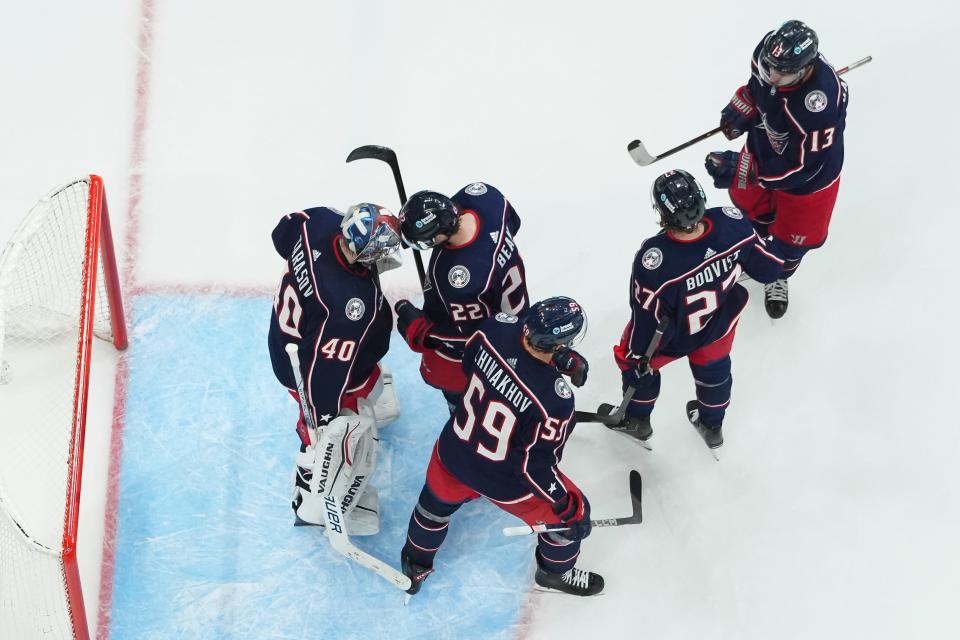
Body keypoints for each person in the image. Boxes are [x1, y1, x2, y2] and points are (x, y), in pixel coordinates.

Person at [399, 297, 601, 597]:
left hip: (454, 452)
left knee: (432, 511)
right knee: (565, 524)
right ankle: (554, 574)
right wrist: (568, 506)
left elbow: (470, 367)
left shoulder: (493, 328)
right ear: (558, 345)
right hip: (501, 478)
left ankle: (415, 566)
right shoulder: (556, 401)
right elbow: (537, 469)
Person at [611, 170, 784, 450]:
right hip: (718, 323)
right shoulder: (732, 224)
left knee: (637, 364)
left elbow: (644, 319)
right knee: (714, 372)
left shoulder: (655, 260)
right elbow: (769, 269)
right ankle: (712, 426)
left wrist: (636, 359)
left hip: (675, 336)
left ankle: (636, 420)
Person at [267, 202, 403, 535]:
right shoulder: (345, 306)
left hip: (293, 336)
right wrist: (326, 419)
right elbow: (323, 375)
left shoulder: (318, 221)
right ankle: (311, 503)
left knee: (362, 388)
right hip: (309, 366)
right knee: (336, 437)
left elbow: (282, 232)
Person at [704, 19, 848, 318]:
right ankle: (754, 246)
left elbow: (804, 166)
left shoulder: (818, 105)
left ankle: (777, 273)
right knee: (751, 204)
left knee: (792, 240)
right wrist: (744, 102)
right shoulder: (768, 53)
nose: (772, 75)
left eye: (782, 73)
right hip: (765, 144)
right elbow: (757, 85)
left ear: (805, 68)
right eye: (769, 67)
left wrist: (750, 170)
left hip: (809, 183)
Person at [392, 183, 532, 410]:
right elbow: (514, 223)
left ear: (438, 235)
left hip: (501, 343)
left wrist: (425, 331)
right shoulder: (485, 197)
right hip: (519, 313)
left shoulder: (454, 278)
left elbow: (476, 335)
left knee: (465, 402)